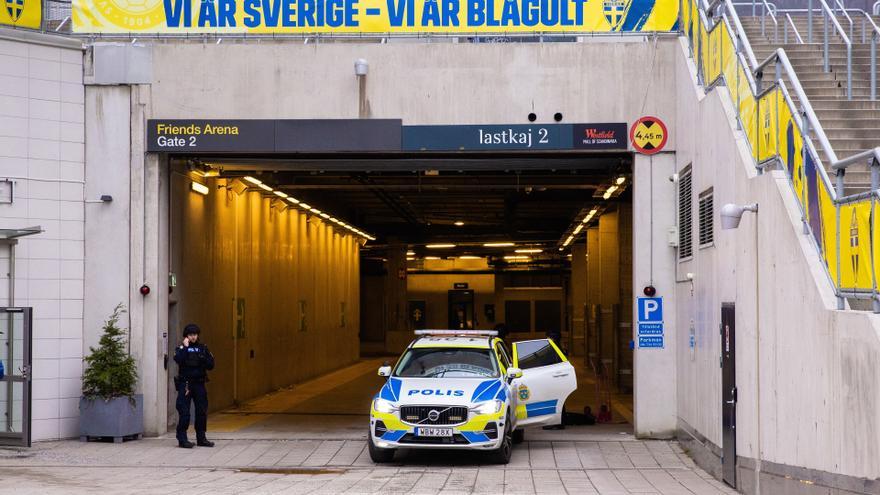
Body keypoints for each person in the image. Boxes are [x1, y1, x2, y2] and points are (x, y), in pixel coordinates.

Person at [174, 323, 215, 448]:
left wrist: (203, 358)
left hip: (199, 384)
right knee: (184, 412)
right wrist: (185, 348)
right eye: (190, 335)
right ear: (186, 336)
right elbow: (178, 360)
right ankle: (182, 439)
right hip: (186, 384)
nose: (193, 337)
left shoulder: (203, 348)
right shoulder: (181, 349)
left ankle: (201, 438)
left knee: (201, 411)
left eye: (195, 334)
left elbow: (211, 365)